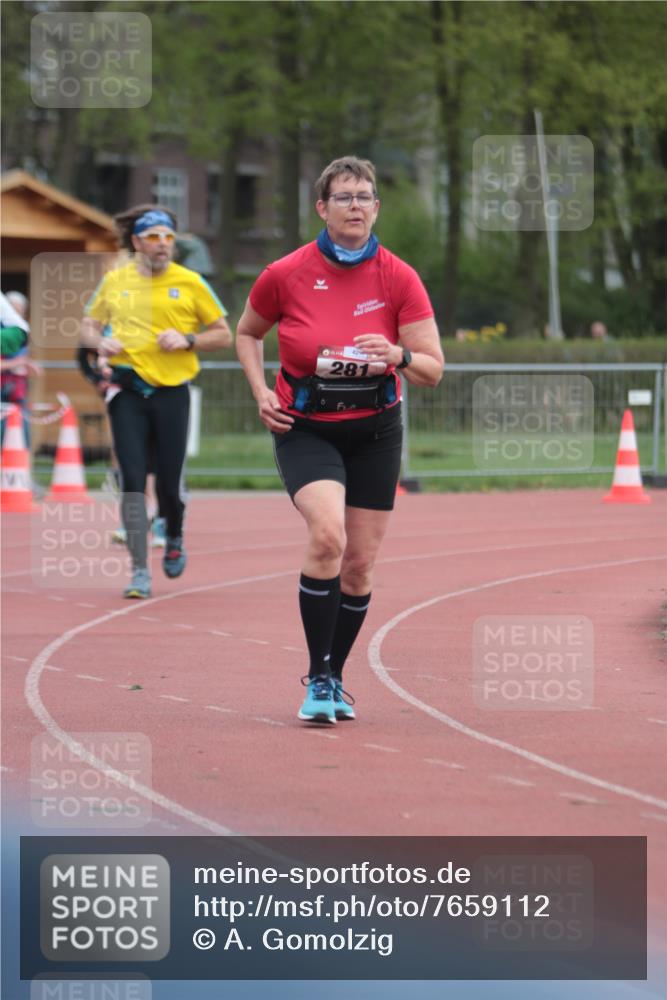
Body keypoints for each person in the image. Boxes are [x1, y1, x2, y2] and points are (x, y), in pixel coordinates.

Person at [236, 156, 444, 724]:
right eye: (345, 197)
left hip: (376, 432)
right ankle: (317, 674)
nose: (356, 206)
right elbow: (249, 333)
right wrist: (261, 391)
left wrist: (398, 356)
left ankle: (334, 674)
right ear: (322, 208)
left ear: (377, 209)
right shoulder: (285, 273)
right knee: (327, 537)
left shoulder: (398, 276)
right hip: (307, 430)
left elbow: (432, 368)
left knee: (358, 564)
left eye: (366, 197)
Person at [81, 205, 232, 598]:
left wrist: (189, 340)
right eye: (153, 237)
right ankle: (138, 571)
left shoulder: (192, 282)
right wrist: (101, 342)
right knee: (132, 481)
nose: (163, 244)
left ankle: (175, 534)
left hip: (172, 393)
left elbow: (223, 333)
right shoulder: (114, 281)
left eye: (168, 237)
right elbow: (87, 327)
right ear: (136, 242)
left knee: (168, 480)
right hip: (127, 391)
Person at [1, 291, 41, 446]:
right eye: (13, 309)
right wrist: (17, 363)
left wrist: (25, 364)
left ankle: (21, 469)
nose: (16, 313)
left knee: (21, 437)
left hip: (17, 392)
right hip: (2, 392)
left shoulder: (19, 332)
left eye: (20, 311)